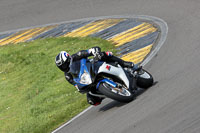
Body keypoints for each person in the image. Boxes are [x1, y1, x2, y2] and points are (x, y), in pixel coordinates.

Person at [55, 46, 135, 106]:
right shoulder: (67, 76)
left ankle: (124, 63)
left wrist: (96, 53)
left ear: (69, 59)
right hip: (88, 80)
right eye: (61, 67)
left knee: (105, 54)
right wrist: (80, 88)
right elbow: (76, 84)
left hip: (94, 67)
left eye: (64, 65)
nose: (64, 67)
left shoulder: (77, 56)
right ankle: (109, 93)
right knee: (92, 101)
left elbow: (92, 50)